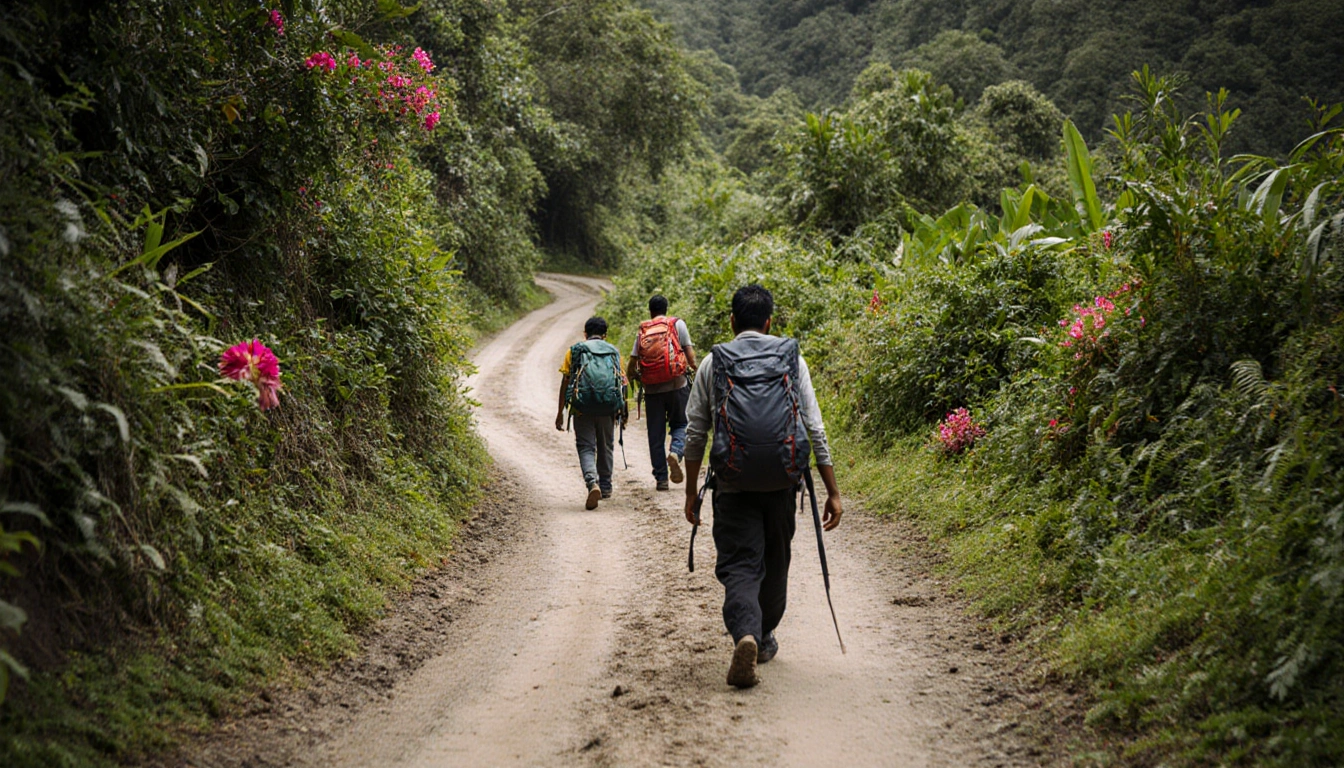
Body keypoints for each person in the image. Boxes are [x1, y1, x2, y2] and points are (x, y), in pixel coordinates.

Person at [681, 284, 842, 689]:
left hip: (732, 484)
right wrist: (832, 491)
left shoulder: (713, 363)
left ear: (732, 321)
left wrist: (690, 493)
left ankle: (747, 634)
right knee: (776, 561)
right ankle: (764, 633)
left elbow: (695, 432)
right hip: (781, 483)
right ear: (770, 322)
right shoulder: (791, 359)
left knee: (739, 566)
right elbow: (815, 428)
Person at [626, 295, 698, 492]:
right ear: (667, 309)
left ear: (650, 311)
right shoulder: (677, 324)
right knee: (682, 424)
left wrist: (631, 378)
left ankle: (661, 479)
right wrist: (697, 373)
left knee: (655, 435)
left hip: (652, 391)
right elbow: (691, 358)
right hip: (677, 385)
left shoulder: (644, 330)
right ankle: (676, 452)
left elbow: (632, 362)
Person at [556, 316, 625, 510]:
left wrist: (560, 411)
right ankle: (606, 486)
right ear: (605, 334)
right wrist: (622, 412)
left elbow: (566, 382)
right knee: (606, 445)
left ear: (585, 333)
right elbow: (621, 383)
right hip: (607, 407)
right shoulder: (613, 352)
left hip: (582, 407)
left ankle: (591, 482)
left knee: (586, 446)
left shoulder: (575, 351)